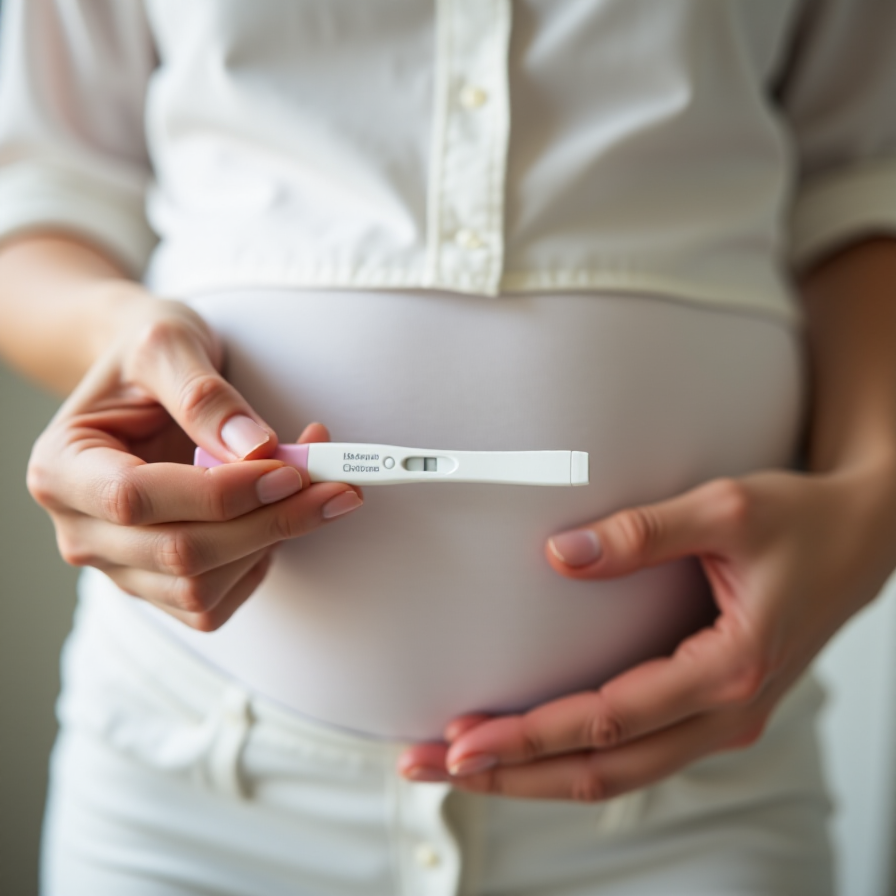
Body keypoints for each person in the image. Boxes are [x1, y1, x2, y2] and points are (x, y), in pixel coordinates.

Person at [1, 1, 895, 893]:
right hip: (192, 788)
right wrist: (114, 335)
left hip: (695, 803)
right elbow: (39, 194)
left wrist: (875, 498)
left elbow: (865, 181)